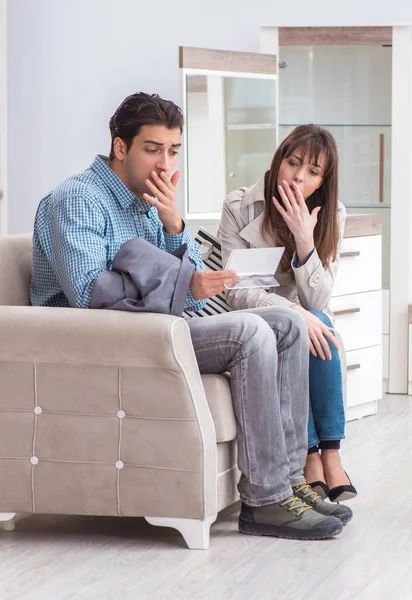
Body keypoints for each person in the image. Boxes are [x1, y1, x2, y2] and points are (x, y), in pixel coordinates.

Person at [30, 93, 352, 540]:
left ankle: (292, 481)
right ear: (120, 147)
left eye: (173, 151)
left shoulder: (150, 202)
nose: (165, 163)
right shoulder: (78, 199)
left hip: (160, 328)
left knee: (289, 323)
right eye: (152, 149)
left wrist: (175, 228)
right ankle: (265, 500)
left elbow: (201, 296)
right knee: (250, 333)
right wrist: (180, 281)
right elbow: (88, 295)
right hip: (105, 342)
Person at [218, 124, 357, 504]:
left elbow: (320, 297)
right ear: (279, 160)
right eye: (293, 163)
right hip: (258, 316)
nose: (298, 176)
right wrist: (295, 312)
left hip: (310, 320)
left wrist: (304, 238)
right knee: (309, 324)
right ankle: (311, 456)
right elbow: (237, 292)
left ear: (323, 181)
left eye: (312, 172)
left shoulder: (333, 213)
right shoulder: (238, 205)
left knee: (321, 322)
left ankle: (330, 454)